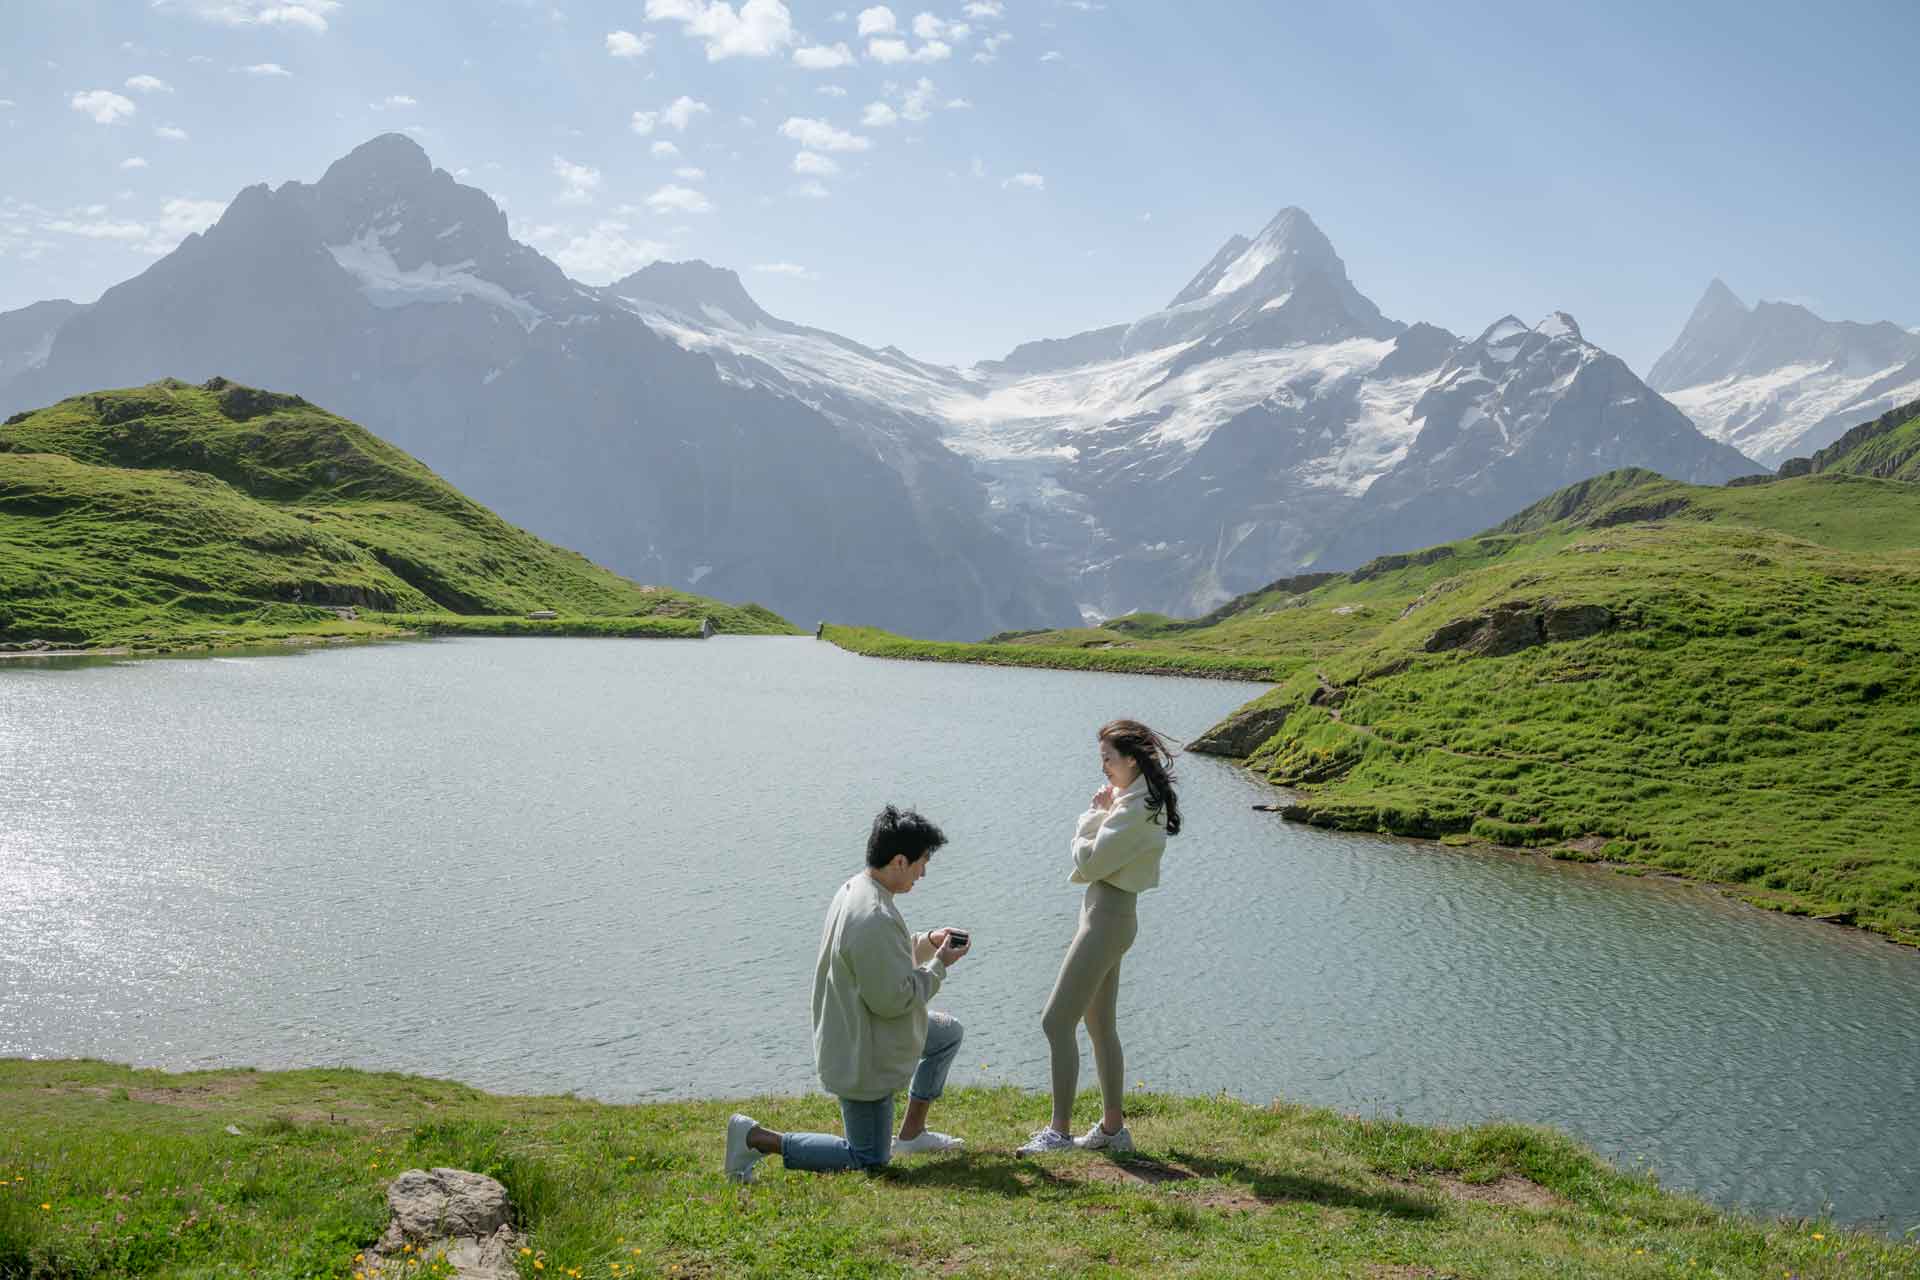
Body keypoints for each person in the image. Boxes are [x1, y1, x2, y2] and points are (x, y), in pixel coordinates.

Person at [724, 804, 972, 1182]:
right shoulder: (873, 914)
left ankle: (912, 1135)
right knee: (869, 1157)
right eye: (922, 863)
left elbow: (884, 957)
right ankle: (755, 1138)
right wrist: (939, 965)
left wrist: (926, 943)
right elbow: (893, 1000)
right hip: (863, 1051)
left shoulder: (860, 890)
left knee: (946, 1034)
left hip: (865, 1031)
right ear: (900, 861)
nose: (924, 873)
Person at [1019, 719, 1181, 1155]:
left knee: (1055, 1021)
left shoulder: (1132, 808)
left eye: (1108, 758)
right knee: (1098, 1024)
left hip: (1106, 919)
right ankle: (1113, 1130)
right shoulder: (1135, 798)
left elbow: (1089, 862)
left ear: (1131, 759)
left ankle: (1059, 1132)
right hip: (1108, 915)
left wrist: (1091, 813)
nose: (1103, 767)